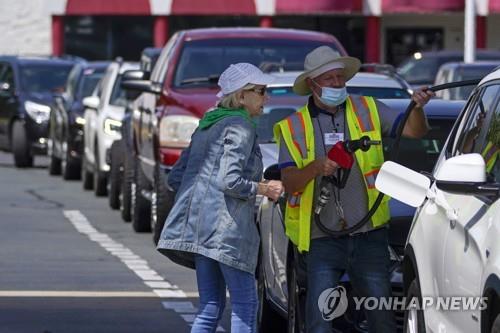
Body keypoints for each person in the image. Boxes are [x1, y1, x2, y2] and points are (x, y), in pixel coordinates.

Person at [274, 46, 434, 333]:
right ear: (312, 84)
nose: (338, 84)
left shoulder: (367, 108)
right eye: (330, 79)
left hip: (368, 235)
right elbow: (289, 182)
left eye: (340, 77)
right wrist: (314, 168)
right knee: (319, 323)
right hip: (321, 238)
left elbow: (414, 131)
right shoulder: (293, 126)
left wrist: (418, 107)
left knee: (382, 321)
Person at [157, 63, 283, 333]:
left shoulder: (209, 123)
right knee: (245, 304)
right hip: (228, 232)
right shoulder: (241, 126)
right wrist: (264, 188)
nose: (266, 98)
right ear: (241, 96)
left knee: (209, 306)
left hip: (200, 230)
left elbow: (176, 177)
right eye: (260, 91)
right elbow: (230, 180)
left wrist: (203, 199)